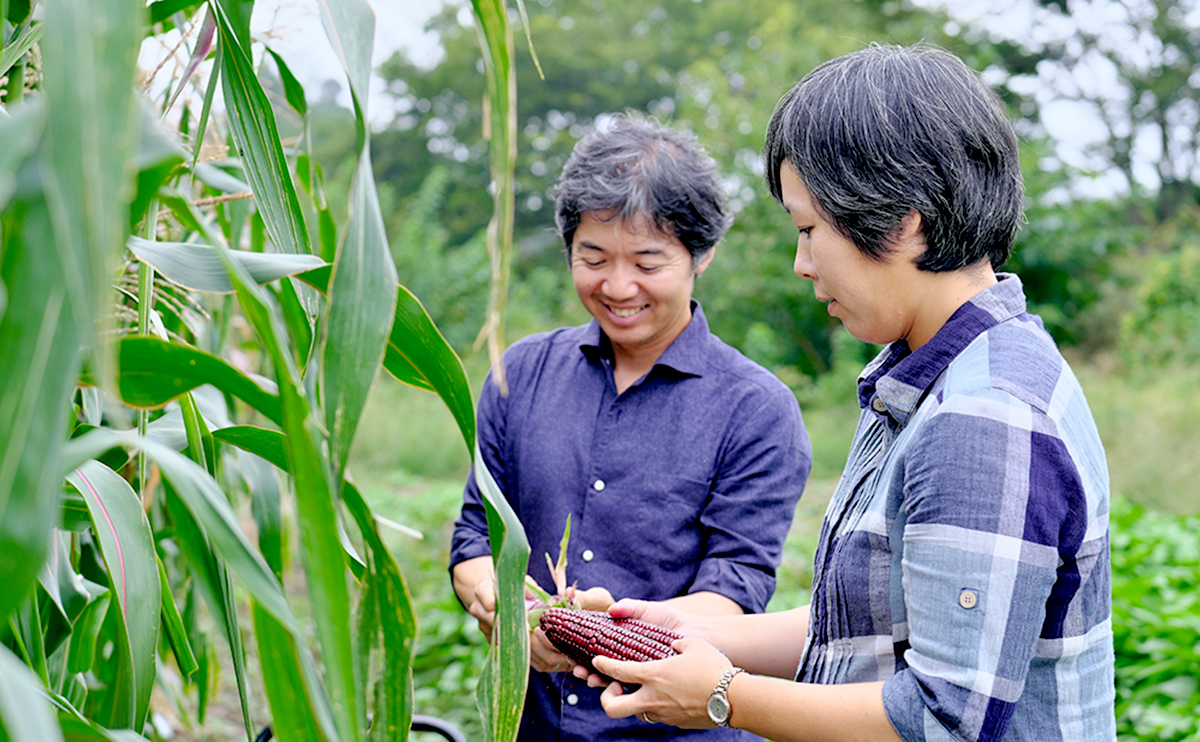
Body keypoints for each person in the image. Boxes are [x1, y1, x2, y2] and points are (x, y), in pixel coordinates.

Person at [577, 44, 1116, 742]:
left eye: (809, 229)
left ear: (901, 219)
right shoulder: (926, 376)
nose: (802, 264)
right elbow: (875, 626)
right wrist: (686, 630)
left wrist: (723, 697)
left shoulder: (984, 414)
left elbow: (943, 718)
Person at [450, 114, 813, 741]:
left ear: (702, 256)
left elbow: (733, 589)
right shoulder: (520, 373)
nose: (618, 287)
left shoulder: (757, 408)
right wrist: (503, 606)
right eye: (593, 258)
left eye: (647, 261)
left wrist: (597, 631)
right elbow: (474, 537)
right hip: (526, 724)